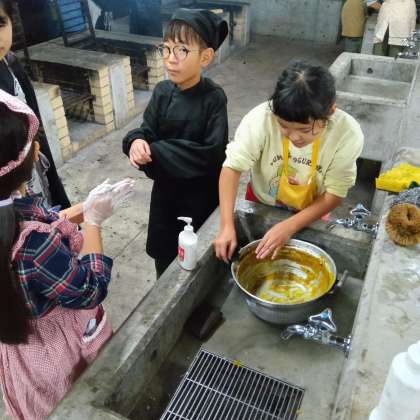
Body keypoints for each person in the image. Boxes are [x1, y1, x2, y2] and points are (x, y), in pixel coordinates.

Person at [0, 89, 134, 419]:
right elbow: (90, 288)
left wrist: (84, 208)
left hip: (22, 355)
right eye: (32, 143)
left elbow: (40, 218)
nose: (38, 147)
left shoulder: (11, 215)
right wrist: (93, 222)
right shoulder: (33, 246)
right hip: (56, 354)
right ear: (19, 165)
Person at [214, 61, 364, 262]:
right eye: (284, 126)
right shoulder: (260, 119)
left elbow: (335, 194)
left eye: (304, 129)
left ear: (330, 111)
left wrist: (290, 226)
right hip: (262, 201)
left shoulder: (346, 134)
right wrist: (226, 225)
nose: (294, 137)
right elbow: (232, 168)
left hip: (313, 210)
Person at [122, 8, 228, 277]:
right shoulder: (162, 92)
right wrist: (136, 142)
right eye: (166, 49)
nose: (170, 59)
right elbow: (146, 131)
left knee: (197, 265)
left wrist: (156, 152)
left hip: (199, 199)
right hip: (165, 199)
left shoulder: (213, 98)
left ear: (205, 57)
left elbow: (212, 155)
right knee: (165, 261)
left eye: (181, 50)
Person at [0, 0, 71, 208]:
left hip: (33, 182)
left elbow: (38, 135)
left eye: (0, 23)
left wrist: (60, 198)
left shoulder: (11, 65)